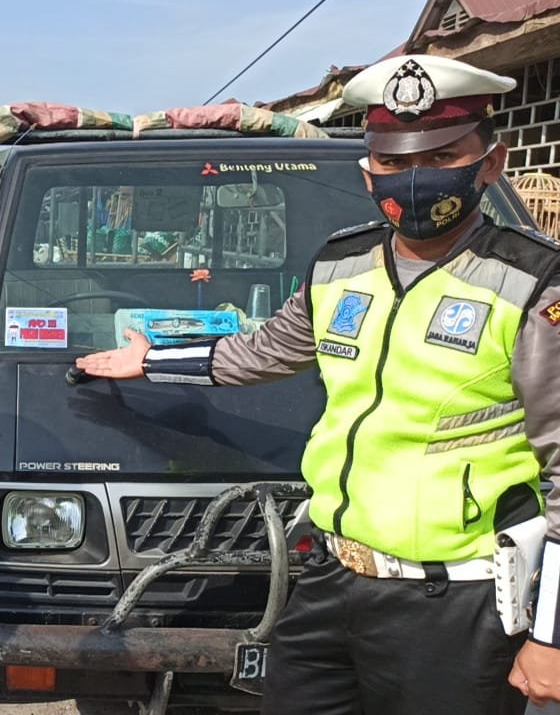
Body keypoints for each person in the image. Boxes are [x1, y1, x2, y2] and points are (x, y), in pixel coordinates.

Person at [77, 55, 560, 715]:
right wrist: (152, 361)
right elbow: (268, 349)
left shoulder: (535, 284)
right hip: (332, 579)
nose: (415, 178)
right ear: (368, 175)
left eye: (442, 155)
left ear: (491, 164)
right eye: (393, 162)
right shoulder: (341, 263)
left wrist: (551, 634)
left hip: (457, 600)